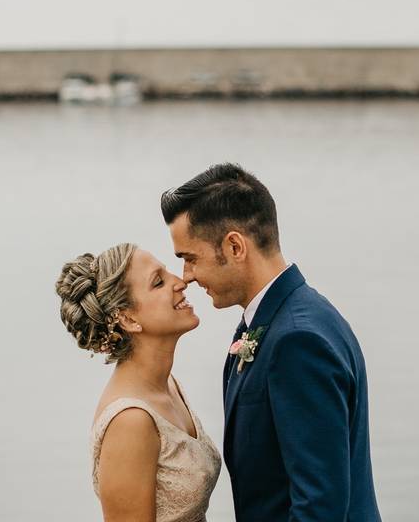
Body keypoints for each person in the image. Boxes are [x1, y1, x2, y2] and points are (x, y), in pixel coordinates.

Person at [162, 164, 383, 522]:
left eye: (190, 258)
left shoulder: (297, 340)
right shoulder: (284, 317)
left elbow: (319, 508)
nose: (187, 276)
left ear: (235, 246)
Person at [54, 243, 221, 522]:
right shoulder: (130, 421)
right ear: (128, 318)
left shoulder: (167, 385)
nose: (180, 282)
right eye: (159, 282)